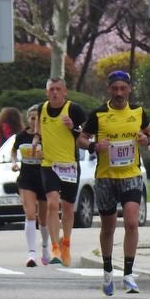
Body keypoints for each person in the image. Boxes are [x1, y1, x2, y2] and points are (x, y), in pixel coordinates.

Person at [80, 69, 150, 295]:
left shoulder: (139, 113)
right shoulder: (99, 114)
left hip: (131, 175)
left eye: (123, 88)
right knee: (108, 227)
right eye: (115, 89)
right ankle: (107, 270)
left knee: (131, 222)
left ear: (129, 89)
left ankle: (129, 274)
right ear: (109, 90)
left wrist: (146, 138)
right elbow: (81, 139)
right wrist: (94, 146)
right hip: (106, 178)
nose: (119, 93)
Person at [37, 77, 87, 266]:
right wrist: (37, 144)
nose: (54, 93)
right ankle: (55, 247)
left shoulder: (74, 109)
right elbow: (39, 132)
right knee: (52, 204)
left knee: (67, 207)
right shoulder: (42, 109)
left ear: (65, 91)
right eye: (51, 89)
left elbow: (85, 135)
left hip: (69, 165)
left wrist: (72, 127)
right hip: (48, 164)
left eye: (58, 89)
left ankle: (66, 243)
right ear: (46, 92)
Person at [12, 105, 50, 266]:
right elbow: (13, 151)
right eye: (32, 118)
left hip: (44, 178)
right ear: (28, 119)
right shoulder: (21, 136)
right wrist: (14, 163)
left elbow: (55, 154)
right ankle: (31, 253)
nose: (35, 122)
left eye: (38, 119)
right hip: (26, 178)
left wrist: (45, 155)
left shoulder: (46, 136)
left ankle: (45, 247)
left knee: (43, 218)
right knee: (30, 213)